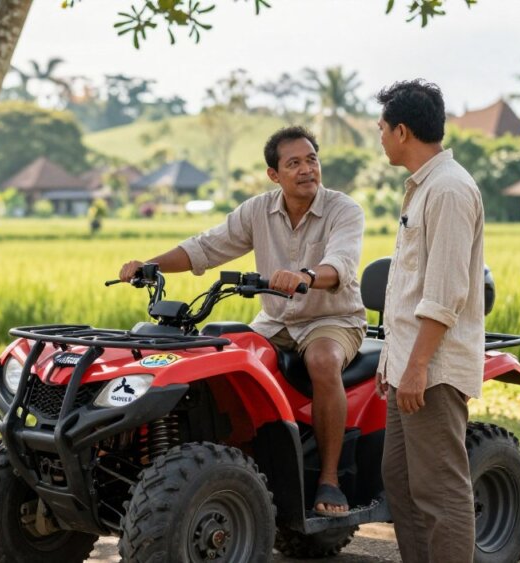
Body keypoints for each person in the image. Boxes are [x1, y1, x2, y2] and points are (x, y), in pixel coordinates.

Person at [118, 126, 367, 517]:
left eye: (312, 160)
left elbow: (342, 263)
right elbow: (206, 247)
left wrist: (305, 276)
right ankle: (245, 466)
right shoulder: (258, 211)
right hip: (274, 320)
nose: (307, 170)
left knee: (321, 361)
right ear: (274, 175)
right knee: (228, 363)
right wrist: (150, 264)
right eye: (294, 163)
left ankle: (330, 479)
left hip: (331, 317)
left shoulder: (343, 209)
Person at [373, 80, 486, 562]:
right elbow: (409, 287)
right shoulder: (424, 188)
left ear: (402, 131)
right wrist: (393, 364)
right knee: (400, 480)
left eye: (381, 128)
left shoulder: (448, 190)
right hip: (407, 365)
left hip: (431, 369)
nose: (378, 137)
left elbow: (444, 294)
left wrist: (417, 366)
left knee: (440, 492)